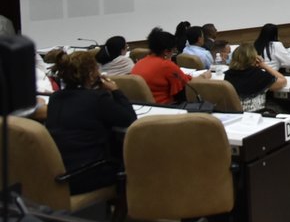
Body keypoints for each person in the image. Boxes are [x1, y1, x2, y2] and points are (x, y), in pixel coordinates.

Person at [46, 51, 136, 194]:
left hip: (59, 171)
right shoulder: (97, 99)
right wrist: (116, 91)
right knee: (134, 161)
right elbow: (129, 119)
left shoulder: (56, 98)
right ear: (90, 74)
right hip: (87, 173)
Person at [131, 27, 209, 104]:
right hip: (165, 107)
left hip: (143, 106)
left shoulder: (139, 63)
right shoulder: (166, 65)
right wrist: (204, 76)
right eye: (173, 50)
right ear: (166, 51)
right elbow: (189, 85)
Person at [223, 43, 287, 112]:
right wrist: (264, 65)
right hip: (256, 115)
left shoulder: (228, 75)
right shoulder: (258, 75)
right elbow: (283, 81)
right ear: (254, 58)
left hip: (235, 114)